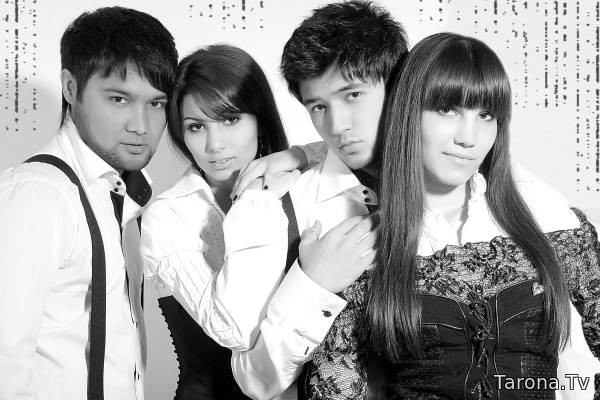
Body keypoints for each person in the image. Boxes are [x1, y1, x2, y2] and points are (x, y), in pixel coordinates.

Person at [301, 32, 600, 399]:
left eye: (486, 115)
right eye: (447, 110)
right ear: (407, 112)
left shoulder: (548, 218)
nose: (468, 137)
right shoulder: (360, 247)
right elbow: (335, 386)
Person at [222, 2, 407, 399]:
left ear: (398, 87)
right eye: (318, 106)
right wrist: (314, 285)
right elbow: (254, 380)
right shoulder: (284, 205)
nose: (337, 125)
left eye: (353, 95)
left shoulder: (459, 185)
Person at [0, 7, 178, 400]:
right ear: (70, 87)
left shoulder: (121, 194)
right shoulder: (39, 196)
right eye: (119, 99)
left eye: (156, 103)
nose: (141, 126)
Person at [139, 44, 310, 399]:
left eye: (230, 119)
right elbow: (237, 330)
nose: (214, 144)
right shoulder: (170, 216)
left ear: (260, 119)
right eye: (196, 126)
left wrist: (300, 155)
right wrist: (255, 200)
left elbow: (367, 153)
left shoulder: (300, 184)